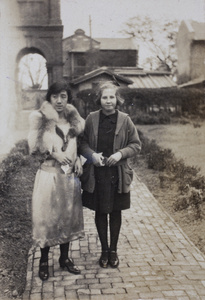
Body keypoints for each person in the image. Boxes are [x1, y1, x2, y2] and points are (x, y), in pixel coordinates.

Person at [79, 82, 141, 268]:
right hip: (97, 173)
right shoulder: (91, 119)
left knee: (115, 212)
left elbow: (136, 145)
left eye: (112, 97)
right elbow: (82, 143)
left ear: (117, 99)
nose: (108, 101)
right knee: (100, 211)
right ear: (99, 99)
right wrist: (92, 155)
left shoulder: (125, 120)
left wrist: (120, 154)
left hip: (118, 173)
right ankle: (104, 250)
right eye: (105, 97)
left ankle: (113, 250)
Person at [28, 81, 85, 281]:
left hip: (69, 177)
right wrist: (54, 153)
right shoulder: (40, 118)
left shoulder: (73, 119)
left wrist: (78, 159)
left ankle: (64, 258)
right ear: (49, 98)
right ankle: (43, 262)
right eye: (55, 96)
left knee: (67, 216)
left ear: (68, 98)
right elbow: (33, 147)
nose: (59, 101)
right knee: (47, 218)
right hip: (49, 175)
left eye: (63, 96)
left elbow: (77, 144)